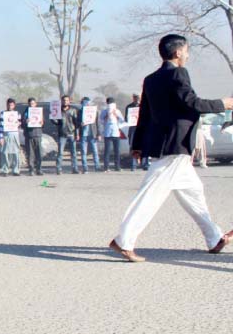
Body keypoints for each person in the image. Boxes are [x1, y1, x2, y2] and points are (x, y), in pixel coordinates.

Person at [109, 34, 233, 262]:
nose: (187, 54)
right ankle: (124, 240)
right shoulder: (178, 72)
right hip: (175, 145)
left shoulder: (151, 79)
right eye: (186, 50)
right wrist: (222, 104)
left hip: (167, 144)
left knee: (193, 192)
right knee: (151, 195)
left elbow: (144, 114)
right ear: (177, 52)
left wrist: (137, 144)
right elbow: (191, 102)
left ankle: (214, 238)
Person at [52, 95, 79, 175]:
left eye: (67, 100)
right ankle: (59, 169)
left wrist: (77, 134)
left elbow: (76, 123)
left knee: (73, 152)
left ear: (69, 101)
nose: (65, 102)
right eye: (64, 100)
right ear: (61, 101)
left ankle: (75, 168)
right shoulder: (57, 110)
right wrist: (52, 119)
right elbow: (56, 123)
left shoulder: (73, 110)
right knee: (60, 152)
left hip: (71, 133)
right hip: (62, 134)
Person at [99, 97, 125, 172]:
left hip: (116, 133)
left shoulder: (117, 111)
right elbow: (101, 121)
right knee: (107, 151)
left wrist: (115, 115)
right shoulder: (104, 111)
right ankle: (106, 167)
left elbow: (122, 120)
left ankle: (117, 166)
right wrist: (106, 117)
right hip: (107, 133)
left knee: (117, 151)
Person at [0, 98, 21, 176]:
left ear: (14, 105)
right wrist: (1, 137)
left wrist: (19, 123)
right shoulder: (3, 113)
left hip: (15, 135)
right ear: (6, 105)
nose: (10, 106)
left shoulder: (17, 113)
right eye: (8, 104)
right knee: (5, 153)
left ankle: (16, 170)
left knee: (16, 153)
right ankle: (5, 170)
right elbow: (0, 126)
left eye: (11, 104)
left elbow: (20, 124)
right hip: (6, 135)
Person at [125, 93, 147, 171]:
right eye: (135, 97)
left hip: (142, 127)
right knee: (133, 146)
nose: (136, 99)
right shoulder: (129, 107)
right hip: (133, 128)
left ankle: (144, 164)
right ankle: (133, 165)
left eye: (138, 97)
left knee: (144, 145)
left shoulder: (143, 105)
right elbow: (126, 119)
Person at [78, 96, 101, 173]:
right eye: (85, 103)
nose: (87, 104)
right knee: (83, 152)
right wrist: (80, 124)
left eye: (88, 103)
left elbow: (98, 123)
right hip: (83, 134)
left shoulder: (94, 111)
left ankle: (97, 167)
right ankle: (85, 168)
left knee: (95, 151)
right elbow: (77, 123)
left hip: (92, 133)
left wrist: (99, 133)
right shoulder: (80, 111)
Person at [22, 97, 43, 176]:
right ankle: (31, 169)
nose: (32, 105)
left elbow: (43, 122)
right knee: (30, 154)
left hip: (38, 135)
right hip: (29, 135)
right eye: (30, 104)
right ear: (28, 104)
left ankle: (39, 169)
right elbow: (22, 123)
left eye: (33, 103)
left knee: (39, 153)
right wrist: (25, 121)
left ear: (36, 104)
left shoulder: (39, 112)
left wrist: (42, 122)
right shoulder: (26, 112)